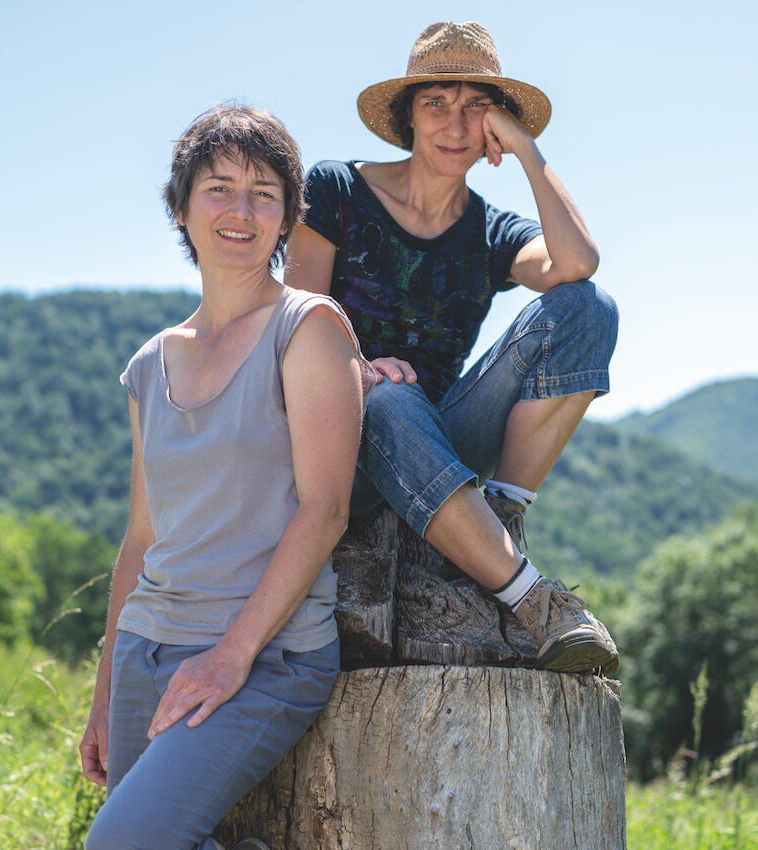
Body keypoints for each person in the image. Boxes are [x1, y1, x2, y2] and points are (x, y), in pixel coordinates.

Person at [80, 105, 374, 850]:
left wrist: (230, 656)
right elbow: (143, 538)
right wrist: (105, 689)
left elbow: (325, 508)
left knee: (119, 846)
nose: (241, 210)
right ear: (181, 208)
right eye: (219, 187)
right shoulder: (151, 362)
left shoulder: (308, 328)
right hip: (147, 647)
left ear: (286, 220)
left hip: (266, 654)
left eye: (264, 192)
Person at [285, 21, 619, 674]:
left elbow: (578, 263)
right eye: (436, 102)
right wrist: (355, 366)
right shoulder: (335, 189)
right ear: (407, 114)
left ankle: (498, 517)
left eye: (476, 107)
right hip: (337, 448)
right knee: (386, 399)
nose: (455, 124)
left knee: (588, 309)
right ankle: (532, 598)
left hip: (445, 445)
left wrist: (526, 150)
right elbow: (293, 322)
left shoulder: (491, 229)